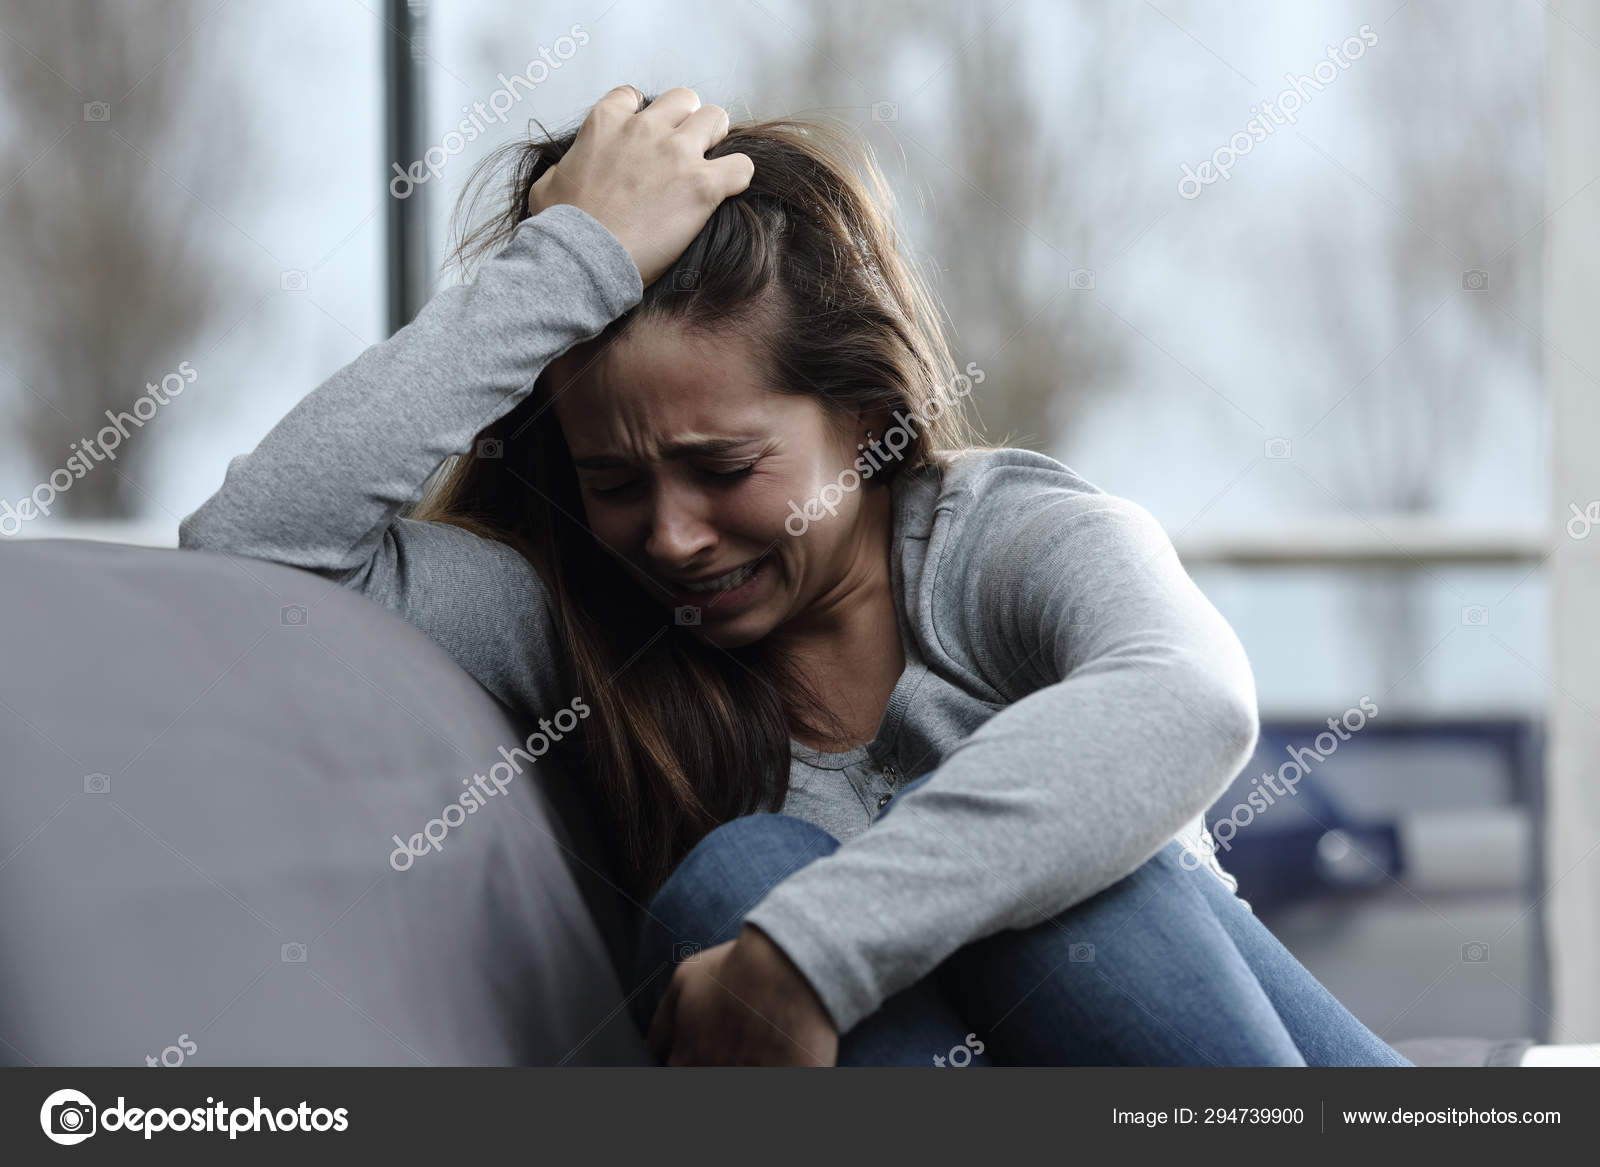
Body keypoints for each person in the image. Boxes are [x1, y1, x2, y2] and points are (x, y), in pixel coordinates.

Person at [179, 83, 1411, 1068]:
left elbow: (1187, 700)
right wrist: (572, 259)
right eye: (613, 483)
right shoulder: (572, 625)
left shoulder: (1000, 541)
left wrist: (804, 957)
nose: (669, 537)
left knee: (1048, 849)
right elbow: (254, 545)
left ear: (867, 414)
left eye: (723, 466)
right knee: (741, 874)